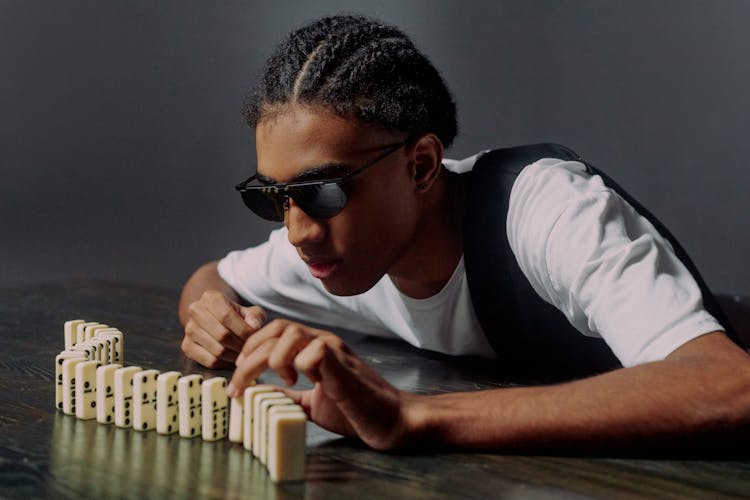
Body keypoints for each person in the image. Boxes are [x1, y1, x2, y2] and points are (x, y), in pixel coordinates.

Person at [178, 15, 750, 452]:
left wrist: (413, 416)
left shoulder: (548, 211)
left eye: (323, 191)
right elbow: (214, 279)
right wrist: (210, 318)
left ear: (422, 165)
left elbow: (729, 385)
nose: (297, 231)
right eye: (272, 198)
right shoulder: (332, 243)